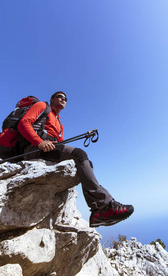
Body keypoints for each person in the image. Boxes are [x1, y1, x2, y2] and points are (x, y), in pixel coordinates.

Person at [16, 91, 134, 227]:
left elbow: (61, 146)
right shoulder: (42, 106)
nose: (63, 99)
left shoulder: (59, 124)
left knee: (86, 163)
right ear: (52, 99)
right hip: (34, 149)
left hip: (48, 149)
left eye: (65, 98)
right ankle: (104, 206)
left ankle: (97, 212)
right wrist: (39, 142)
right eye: (60, 96)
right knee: (79, 154)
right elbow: (23, 123)